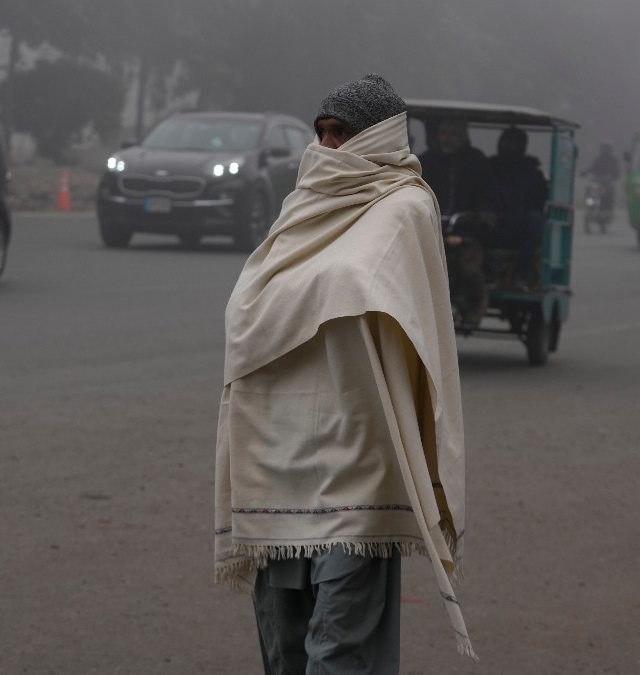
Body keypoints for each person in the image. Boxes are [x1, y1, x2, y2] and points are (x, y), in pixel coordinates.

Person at [214, 74, 474, 671]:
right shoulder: (300, 208)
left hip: (360, 457)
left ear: (379, 135)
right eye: (323, 133)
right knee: (283, 642)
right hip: (277, 456)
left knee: (339, 647)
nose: (328, 148)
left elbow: (390, 306)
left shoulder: (406, 207)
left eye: (343, 133)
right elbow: (248, 310)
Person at [421, 117, 497, 328]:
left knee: (467, 269)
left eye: (454, 134)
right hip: (430, 229)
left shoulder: (476, 162)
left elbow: (489, 195)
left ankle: (476, 306)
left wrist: (484, 214)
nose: (449, 139)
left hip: (467, 230)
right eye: (445, 133)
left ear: (463, 137)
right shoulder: (425, 161)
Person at [488, 126, 550, 290]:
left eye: (513, 144)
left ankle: (520, 276)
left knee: (536, 220)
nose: (508, 147)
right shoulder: (488, 168)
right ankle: (489, 274)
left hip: (519, 227)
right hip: (491, 224)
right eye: (505, 143)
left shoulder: (532, 173)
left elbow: (540, 200)